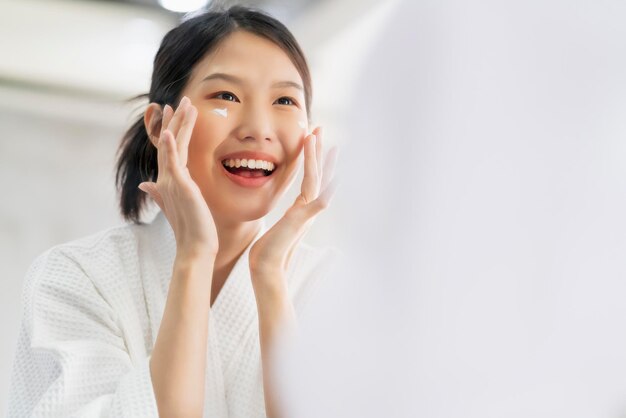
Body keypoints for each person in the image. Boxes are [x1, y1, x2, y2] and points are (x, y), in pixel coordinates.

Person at [6, 5, 338, 418]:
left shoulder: (335, 287)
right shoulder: (74, 277)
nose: (258, 127)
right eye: (226, 96)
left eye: (285, 100)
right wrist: (194, 257)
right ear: (160, 126)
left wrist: (270, 278)